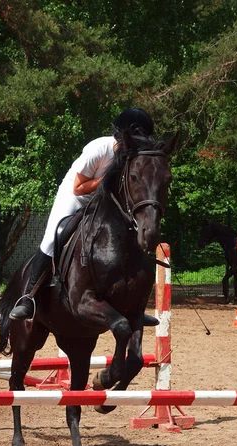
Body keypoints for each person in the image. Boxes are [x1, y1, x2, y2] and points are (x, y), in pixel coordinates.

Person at [10, 108, 155, 321]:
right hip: (75, 196)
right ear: (121, 137)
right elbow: (79, 187)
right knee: (54, 236)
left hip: (104, 200)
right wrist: (107, 179)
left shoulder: (131, 156)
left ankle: (135, 310)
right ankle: (28, 297)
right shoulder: (98, 149)